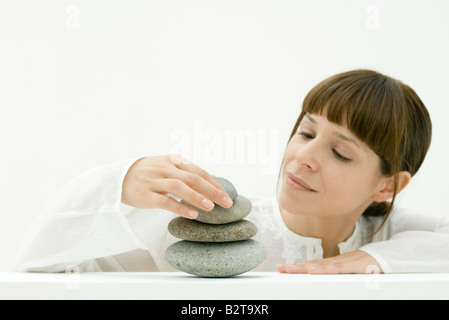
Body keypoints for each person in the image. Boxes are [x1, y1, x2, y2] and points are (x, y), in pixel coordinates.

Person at [14, 69, 449, 274]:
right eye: (305, 132)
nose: (303, 158)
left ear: (388, 185)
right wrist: (113, 184)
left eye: (340, 152)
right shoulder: (191, 232)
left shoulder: (391, 235)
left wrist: (375, 260)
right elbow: (34, 273)